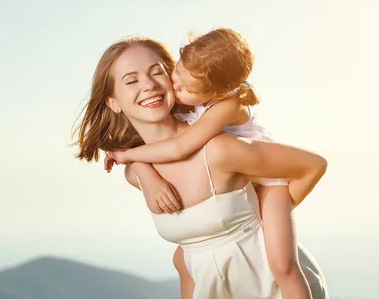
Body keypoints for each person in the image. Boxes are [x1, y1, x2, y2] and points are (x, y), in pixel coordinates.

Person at [72, 36, 329, 298]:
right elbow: (193, 256)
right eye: (132, 80)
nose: (148, 85)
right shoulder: (136, 174)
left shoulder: (217, 149)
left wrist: (268, 210)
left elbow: (313, 167)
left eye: (156, 72)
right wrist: (140, 167)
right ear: (113, 102)